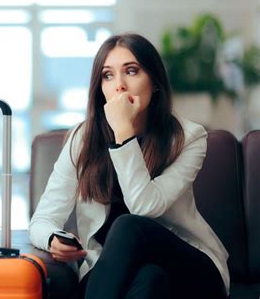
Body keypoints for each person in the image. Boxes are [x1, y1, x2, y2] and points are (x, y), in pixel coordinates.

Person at [29, 33, 229, 299]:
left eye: (131, 71)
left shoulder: (188, 137)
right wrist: (53, 239)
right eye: (108, 76)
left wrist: (123, 132)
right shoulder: (83, 139)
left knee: (128, 226)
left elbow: (144, 207)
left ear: (155, 82)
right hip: (122, 273)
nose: (119, 86)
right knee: (149, 280)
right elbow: (42, 220)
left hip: (191, 270)